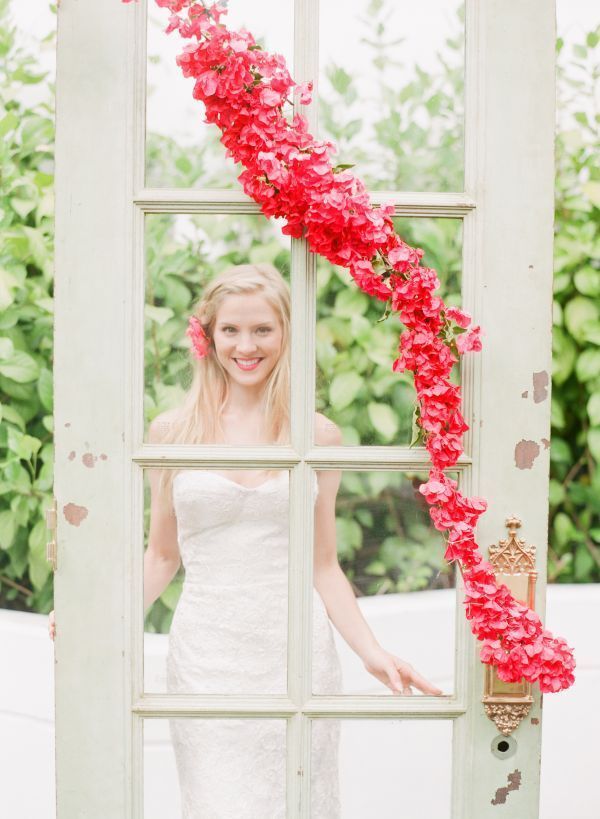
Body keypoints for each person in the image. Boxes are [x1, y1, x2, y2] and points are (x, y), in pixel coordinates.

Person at [49, 262, 443, 818]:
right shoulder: (172, 432)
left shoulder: (319, 435)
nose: (246, 345)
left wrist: (371, 652)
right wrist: (96, 624)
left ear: (285, 334)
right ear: (209, 335)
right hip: (208, 658)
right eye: (231, 329)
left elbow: (323, 565)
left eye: (262, 329)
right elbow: (162, 556)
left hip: (297, 654)